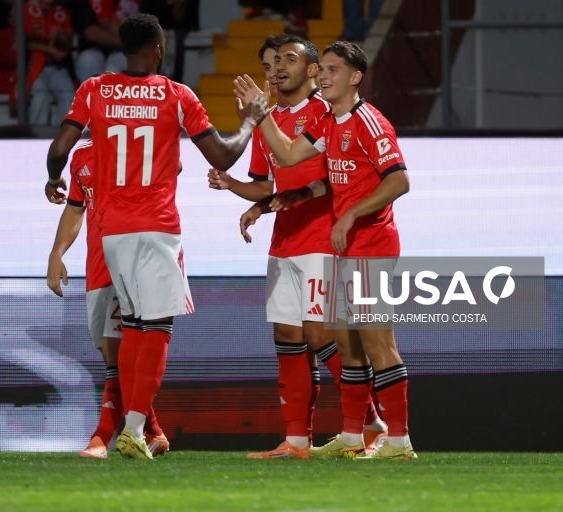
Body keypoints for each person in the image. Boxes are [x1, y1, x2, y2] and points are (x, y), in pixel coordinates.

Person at [45, 13, 267, 459]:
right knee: (157, 328)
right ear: (160, 50)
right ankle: (134, 428)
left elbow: (59, 150)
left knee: (132, 328)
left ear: (121, 48)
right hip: (158, 226)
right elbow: (222, 154)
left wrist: (54, 180)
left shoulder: (94, 89)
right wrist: (250, 121)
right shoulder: (176, 95)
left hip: (112, 233)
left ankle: (136, 427)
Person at [211, 34, 385, 459]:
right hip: (284, 241)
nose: (276, 70)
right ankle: (296, 441)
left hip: (324, 239)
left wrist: (295, 195)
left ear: (312, 70)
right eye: (270, 65)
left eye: (287, 60)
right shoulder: (268, 125)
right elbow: (268, 183)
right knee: (288, 337)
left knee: (323, 335)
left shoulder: (325, 114)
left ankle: (371, 424)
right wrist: (244, 195)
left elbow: (338, 179)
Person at [248, 41, 415, 460]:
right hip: (345, 247)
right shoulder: (329, 124)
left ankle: (398, 441)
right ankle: (353, 436)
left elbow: (399, 181)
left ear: (355, 77)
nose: (324, 76)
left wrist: (349, 214)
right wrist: (260, 112)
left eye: (333, 70)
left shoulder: (369, 122)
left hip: (372, 244)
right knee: (347, 346)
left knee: (378, 344)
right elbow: (285, 154)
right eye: (322, 69)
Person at [46, 140, 169, 459]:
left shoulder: (138, 145)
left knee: (117, 351)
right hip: (97, 264)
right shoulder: (82, 157)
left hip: (132, 259)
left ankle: (102, 438)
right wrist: (57, 252)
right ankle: (153, 431)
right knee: (110, 351)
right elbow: (75, 208)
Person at [24, 0, 76, 126]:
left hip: (56, 65)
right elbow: (22, 42)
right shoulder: (27, 9)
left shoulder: (61, 12)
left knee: (69, 94)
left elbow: (69, 43)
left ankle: (64, 140)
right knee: (40, 96)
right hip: (33, 65)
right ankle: (35, 141)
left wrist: (63, 41)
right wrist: (47, 49)